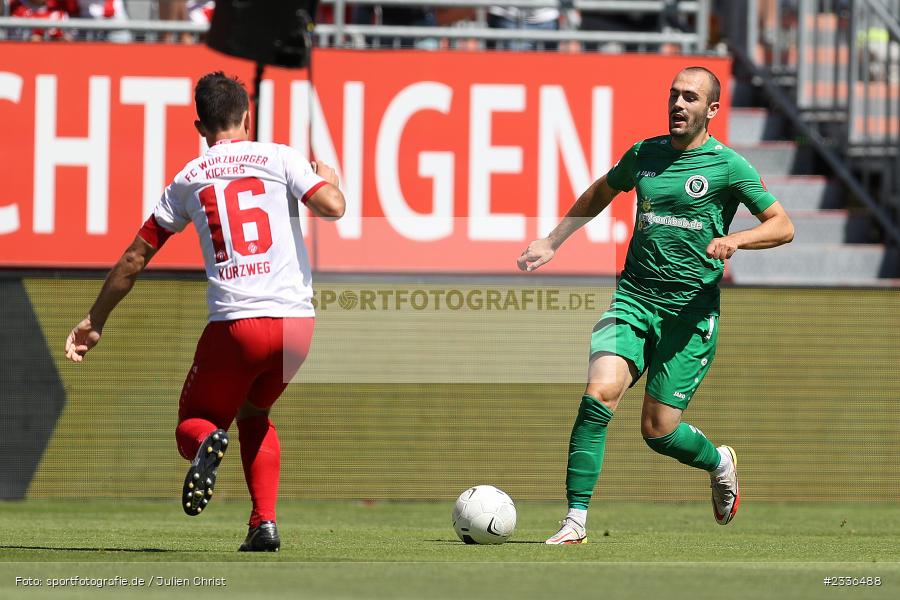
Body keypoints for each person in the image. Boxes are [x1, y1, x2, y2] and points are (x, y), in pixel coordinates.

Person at [64, 72, 345, 552]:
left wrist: (95, 320)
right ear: (247, 117)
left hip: (236, 325)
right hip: (297, 327)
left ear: (200, 126)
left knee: (192, 423)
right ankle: (263, 525)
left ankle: (205, 445)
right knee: (256, 413)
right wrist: (329, 179)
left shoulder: (188, 178)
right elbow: (334, 207)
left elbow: (134, 259)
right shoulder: (280, 157)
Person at [517, 67, 794, 544]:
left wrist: (737, 240)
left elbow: (782, 225)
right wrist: (553, 240)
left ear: (711, 110)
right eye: (674, 95)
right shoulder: (644, 154)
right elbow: (602, 190)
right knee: (598, 394)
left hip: (689, 315)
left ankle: (718, 461)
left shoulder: (729, 167)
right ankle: (575, 521)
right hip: (634, 297)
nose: (678, 104)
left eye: (690, 97)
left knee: (658, 430)